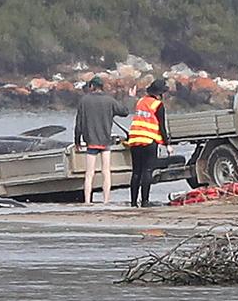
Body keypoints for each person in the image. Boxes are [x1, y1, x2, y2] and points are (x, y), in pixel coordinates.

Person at [73, 76, 132, 204]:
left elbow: (79, 123)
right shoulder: (109, 100)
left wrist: (77, 140)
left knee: (89, 174)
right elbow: (125, 112)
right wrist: (128, 99)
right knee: (106, 172)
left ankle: (88, 201)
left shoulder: (84, 101)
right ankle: (106, 200)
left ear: (92, 86)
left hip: (91, 141)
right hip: (105, 141)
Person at [126, 79, 171, 207]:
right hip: (149, 141)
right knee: (147, 171)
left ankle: (133, 202)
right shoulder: (158, 105)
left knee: (136, 172)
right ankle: (145, 201)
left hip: (134, 140)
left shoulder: (140, 102)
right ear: (160, 93)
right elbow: (162, 126)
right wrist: (167, 144)